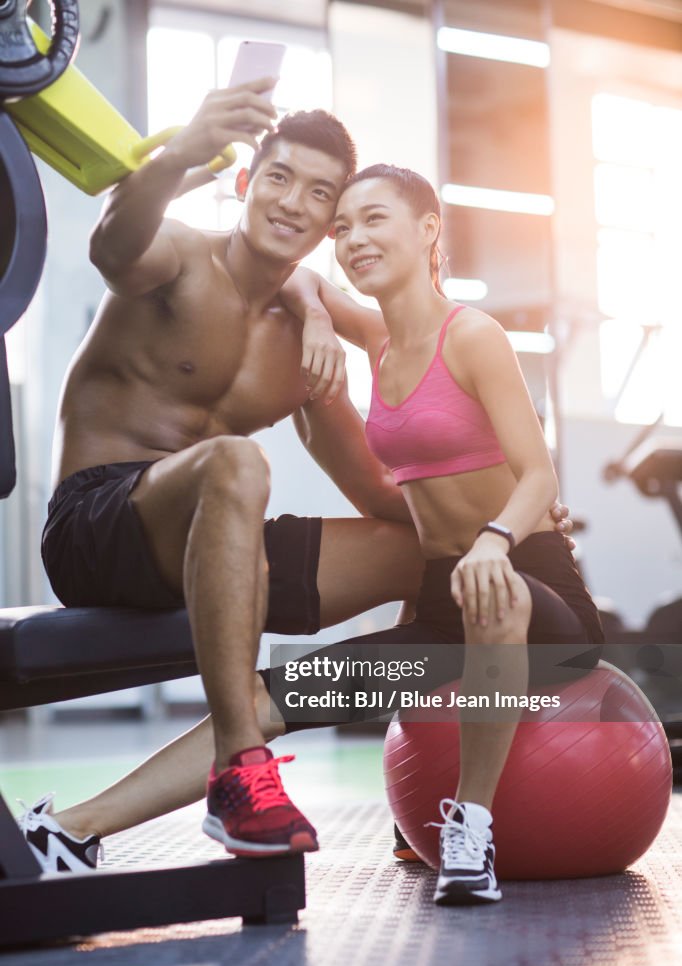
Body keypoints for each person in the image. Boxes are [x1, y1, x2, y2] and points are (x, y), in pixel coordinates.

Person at [18, 91, 573, 872]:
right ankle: (243, 774)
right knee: (239, 462)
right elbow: (113, 246)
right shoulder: (177, 256)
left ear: (326, 229)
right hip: (98, 527)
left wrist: (508, 521)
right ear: (245, 183)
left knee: (429, 558)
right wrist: (177, 156)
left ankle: (73, 827)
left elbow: (385, 495)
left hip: (211, 540)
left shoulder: (308, 349)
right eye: (279, 179)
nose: (296, 204)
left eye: (322, 197)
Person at [275, 163, 604, 906]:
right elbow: (297, 282)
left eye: (374, 220)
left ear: (428, 230)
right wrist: (320, 319)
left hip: (535, 595)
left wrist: (493, 541)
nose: (353, 238)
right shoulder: (380, 340)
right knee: (286, 692)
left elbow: (539, 478)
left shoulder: (475, 335)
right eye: (342, 228)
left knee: (492, 595)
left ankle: (472, 832)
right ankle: (75, 827)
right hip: (444, 604)